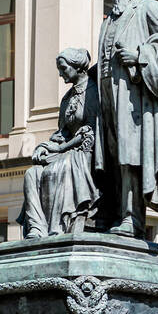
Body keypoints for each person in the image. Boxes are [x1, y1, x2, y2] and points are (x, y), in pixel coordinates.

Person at [95, 0, 158, 237]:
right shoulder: (109, 20)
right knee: (112, 157)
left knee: (130, 157)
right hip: (109, 96)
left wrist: (139, 58)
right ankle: (113, 213)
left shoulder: (148, 8)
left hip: (134, 99)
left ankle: (132, 218)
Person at [18, 48, 100, 238]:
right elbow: (62, 132)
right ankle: (38, 227)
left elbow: (91, 131)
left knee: (59, 169)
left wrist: (62, 147)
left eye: (63, 68)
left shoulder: (93, 92)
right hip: (68, 148)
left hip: (86, 151)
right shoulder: (67, 98)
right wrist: (45, 147)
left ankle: (59, 226)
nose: (60, 73)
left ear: (77, 67)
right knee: (32, 173)